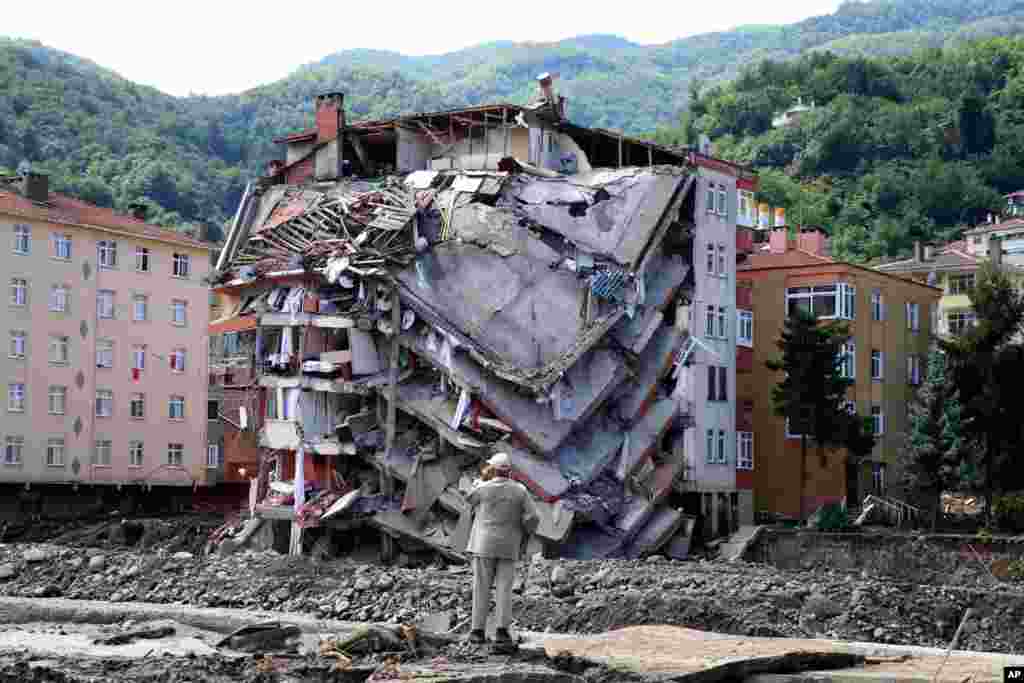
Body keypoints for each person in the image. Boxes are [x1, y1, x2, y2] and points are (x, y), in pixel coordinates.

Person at [465, 452, 540, 645]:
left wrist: (479, 482)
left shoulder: (483, 488)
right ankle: (501, 632)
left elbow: (469, 501)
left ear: (493, 469)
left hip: (484, 544)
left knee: (481, 586)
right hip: (509, 545)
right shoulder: (520, 491)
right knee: (504, 589)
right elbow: (533, 517)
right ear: (509, 471)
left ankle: (477, 631)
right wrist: (525, 531)